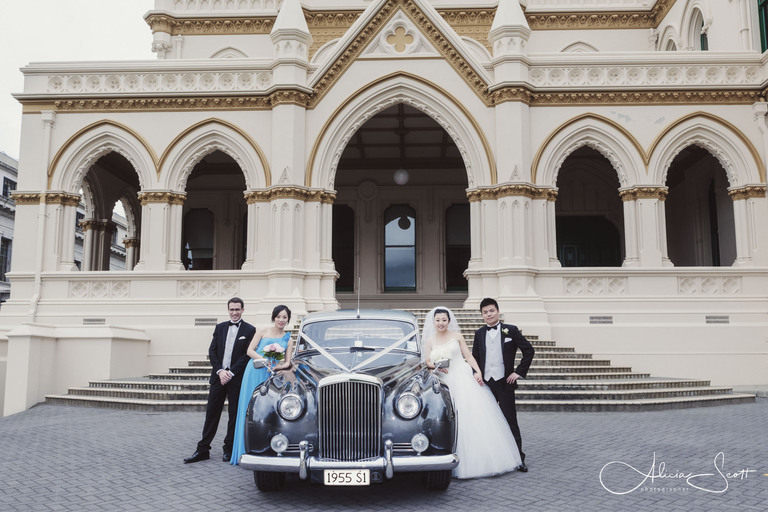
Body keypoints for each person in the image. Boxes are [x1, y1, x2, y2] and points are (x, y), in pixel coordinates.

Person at [423, 306, 523, 479]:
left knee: (471, 416)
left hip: (462, 377)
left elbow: (468, 356)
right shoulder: (430, 341)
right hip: (443, 378)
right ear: (433, 322)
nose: (441, 323)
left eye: (444, 320)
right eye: (438, 320)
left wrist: (477, 372)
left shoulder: (457, 336)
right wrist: (437, 365)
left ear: (449, 321)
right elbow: (427, 361)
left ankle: (481, 461)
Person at [184, 297, 257, 463]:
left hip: (235, 379)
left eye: (237, 309)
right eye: (231, 309)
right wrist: (220, 371)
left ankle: (228, 449)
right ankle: (203, 449)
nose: (234, 312)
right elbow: (212, 351)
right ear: (228, 310)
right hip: (218, 378)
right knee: (212, 414)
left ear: (243, 310)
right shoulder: (220, 327)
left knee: (234, 415)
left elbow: (247, 355)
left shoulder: (250, 330)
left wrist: (230, 373)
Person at [471, 297, 534, 472]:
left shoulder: (510, 330)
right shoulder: (479, 334)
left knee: (510, 420)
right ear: (482, 315)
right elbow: (475, 357)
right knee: (487, 421)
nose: (489, 314)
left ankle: (519, 459)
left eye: (491, 310)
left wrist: (519, 372)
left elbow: (529, 350)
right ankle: (489, 457)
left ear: (497, 311)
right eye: (485, 312)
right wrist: (476, 373)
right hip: (486, 384)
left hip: (505, 382)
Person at [230, 305, 294, 465]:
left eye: (284, 317)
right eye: (278, 316)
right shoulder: (262, 331)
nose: (281, 320)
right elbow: (250, 350)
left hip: (271, 373)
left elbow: (287, 361)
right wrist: (264, 359)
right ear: (274, 317)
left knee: (265, 409)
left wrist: (278, 367)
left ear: (288, 320)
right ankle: (242, 450)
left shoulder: (288, 339)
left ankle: (263, 446)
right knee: (248, 407)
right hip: (255, 370)